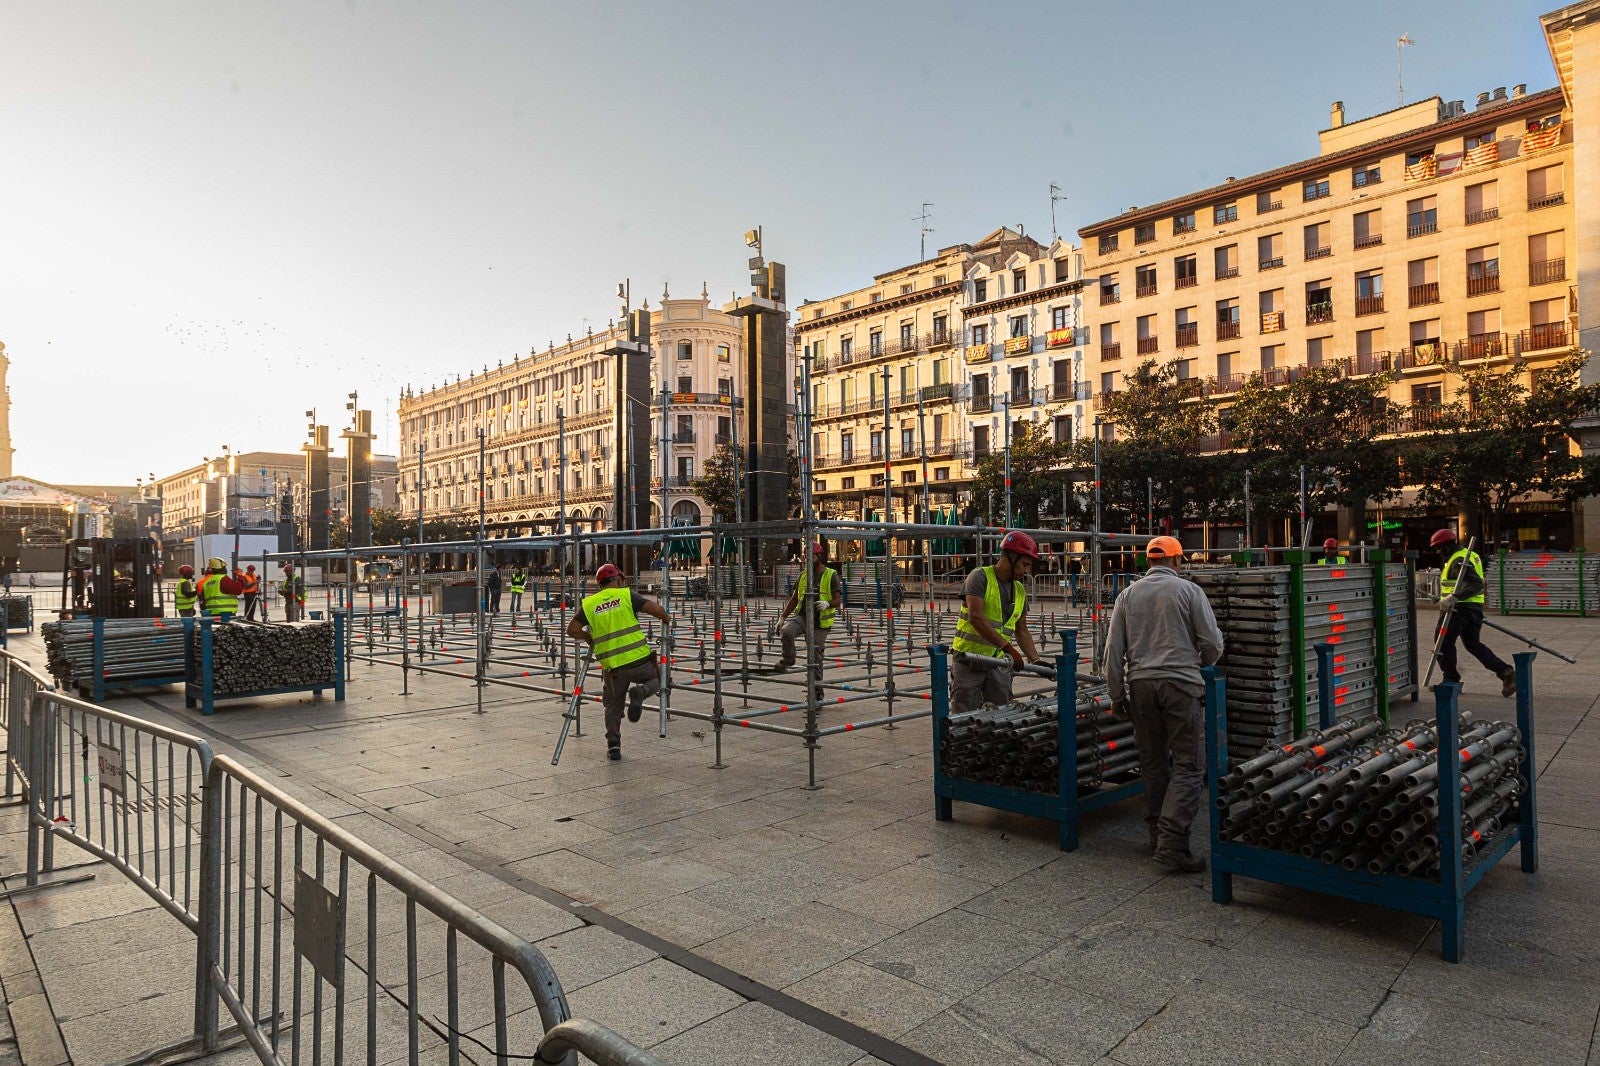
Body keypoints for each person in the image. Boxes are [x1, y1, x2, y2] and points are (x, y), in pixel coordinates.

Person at [1105, 535, 1225, 873]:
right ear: (1176, 561)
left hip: (1140, 686)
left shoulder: (1127, 596)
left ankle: (1157, 833)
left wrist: (1117, 697)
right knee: (1189, 765)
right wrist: (1199, 661)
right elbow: (1212, 642)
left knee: (1154, 762)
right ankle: (1172, 845)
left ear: (1149, 562)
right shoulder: (1189, 591)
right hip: (1181, 685)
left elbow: (1113, 653)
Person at [567, 563, 671, 760]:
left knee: (613, 705)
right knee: (659, 680)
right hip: (639, 661)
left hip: (613, 668)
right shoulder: (626, 595)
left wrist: (589, 638)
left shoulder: (589, 604)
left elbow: (572, 630)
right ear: (618, 579)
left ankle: (613, 745)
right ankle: (641, 692)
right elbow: (655, 609)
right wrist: (665, 617)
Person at [950, 530, 1048, 713]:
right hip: (969, 661)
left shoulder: (1019, 590)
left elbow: (1022, 630)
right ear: (1011, 556)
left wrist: (1036, 660)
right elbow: (976, 616)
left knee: (1000, 716)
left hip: (998, 665)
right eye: (1025, 564)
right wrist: (1008, 648)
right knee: (964, 716)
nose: (1026, 571)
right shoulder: (979, 577)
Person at [1431, 528, 1516, 696]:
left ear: (1447, 545)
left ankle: (1451, 680)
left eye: (1439, 548)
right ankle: (1505, 672)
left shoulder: (1458, 559)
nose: (1438, 552)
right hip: (1473, 609)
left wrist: (1453, 597)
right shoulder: (1468, 555)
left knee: (1443, 642)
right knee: (1472, 644)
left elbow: (1475, 584)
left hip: (1459, 609)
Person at [776, 543, 841, 671]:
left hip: (820, 622)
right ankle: (788, 659)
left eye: (811, 557)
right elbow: (794, 599)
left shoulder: (830, 574)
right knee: (787, 631)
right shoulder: (803, 575)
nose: (808, 560)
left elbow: (838, 600)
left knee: (815, 654)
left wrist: (827, 603)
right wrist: (782, 617)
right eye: (806, 557)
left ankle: (816, 688)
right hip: (803, 617)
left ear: (819, 556)